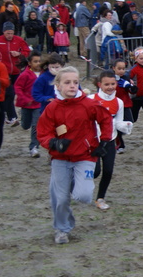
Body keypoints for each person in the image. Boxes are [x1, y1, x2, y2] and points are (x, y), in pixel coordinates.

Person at [37, 66, 112, 244]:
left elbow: (106, 119)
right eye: (67, 82)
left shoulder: (89, 104)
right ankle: (62, 229)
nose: (72, 86)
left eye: (75, 82)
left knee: (83, 196)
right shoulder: (52, 108)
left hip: (85, 157)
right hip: (60, 159)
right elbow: (42, 133)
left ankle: (68, 189)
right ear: (58, 85)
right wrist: (53, 143)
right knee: (61, 199)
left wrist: (104, 141)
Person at [88, 70, 133, 211]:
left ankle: (100, 198)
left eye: (113, 84)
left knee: (108, 171)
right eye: (107, 84)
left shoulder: (118, 102)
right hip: (93, 142)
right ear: (100, 84)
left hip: (110, 140)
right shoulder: (90, 99)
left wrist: (126, 126)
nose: (110, 87)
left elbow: (117, 123)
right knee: (95, 172)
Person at [0, 21, 29, 127]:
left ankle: (7, 114)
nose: (10, 35)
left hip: (17, 71)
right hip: (3, 72)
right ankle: (12, 117)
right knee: (10, 93)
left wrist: (19, 54)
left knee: (16, 93)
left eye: (11, 33)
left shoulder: (19, 40)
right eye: (7, 33)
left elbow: (27, 51)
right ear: (3, 32)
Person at [14, 52, 42, 158]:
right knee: (25, 125)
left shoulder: (43, 74)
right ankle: (21, 119)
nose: (38, 63)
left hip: (38, 104)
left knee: (36, 125)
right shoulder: (25, 74)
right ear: (29, 63)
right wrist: (25, 99)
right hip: (26, 104)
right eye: (35, 61)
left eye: (39, 61)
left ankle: (34, 147)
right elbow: (18, 88)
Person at [112, 58, 136, 153]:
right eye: (119, 68)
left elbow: (131, 90)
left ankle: (118, 136)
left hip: (125, 104)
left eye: (123, 68)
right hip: (115, 105)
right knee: (117, 125)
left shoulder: (126, 78)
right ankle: (120, 144)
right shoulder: (111, 79)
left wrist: (130, 86)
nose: (122, 71)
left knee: (130, 121)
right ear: (114, 68)